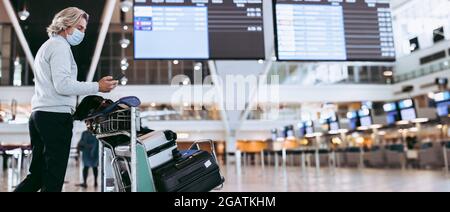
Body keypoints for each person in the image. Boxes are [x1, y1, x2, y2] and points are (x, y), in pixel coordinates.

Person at [14, 7, 118, 192]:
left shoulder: (47, 46)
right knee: (53, 179)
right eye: (80, 27)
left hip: (39, 114)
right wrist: (97, 86)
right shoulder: (59, 47)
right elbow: (63, 85)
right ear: (66, 24)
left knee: (36, 176)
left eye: (84, 29)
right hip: (54, 118)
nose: (82, 33)